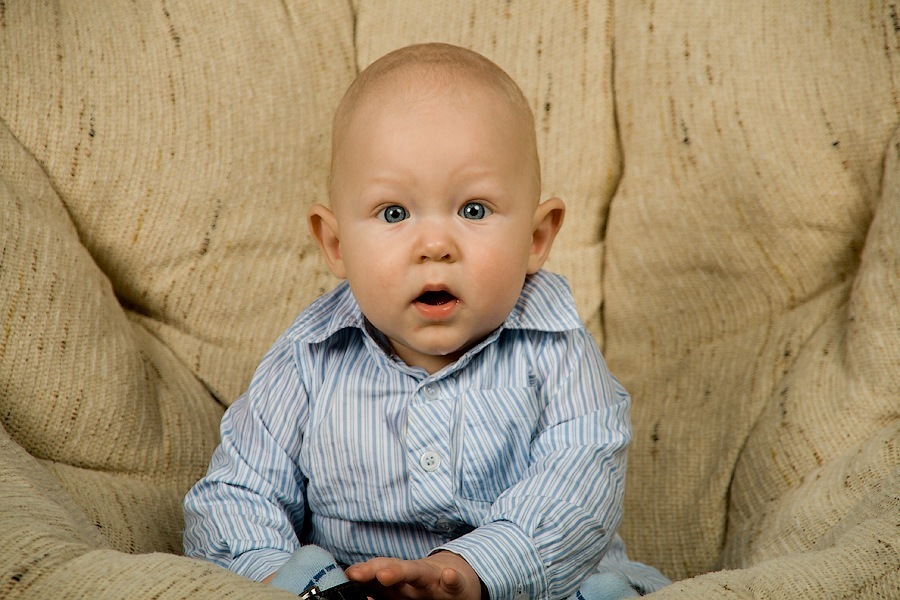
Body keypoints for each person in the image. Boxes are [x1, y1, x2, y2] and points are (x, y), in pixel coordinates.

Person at [183, 42, 669, 600]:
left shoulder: (558, 351)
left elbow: (579, 487)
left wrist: (472, 569)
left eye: (473, 210)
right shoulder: (306, 361)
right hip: (361, 589)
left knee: (607, 591)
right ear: (336, 245)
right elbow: (236, 493)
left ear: (536, 238)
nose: (435, 245)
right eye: (394, 213)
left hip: (530, 587)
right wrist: (276, 574)